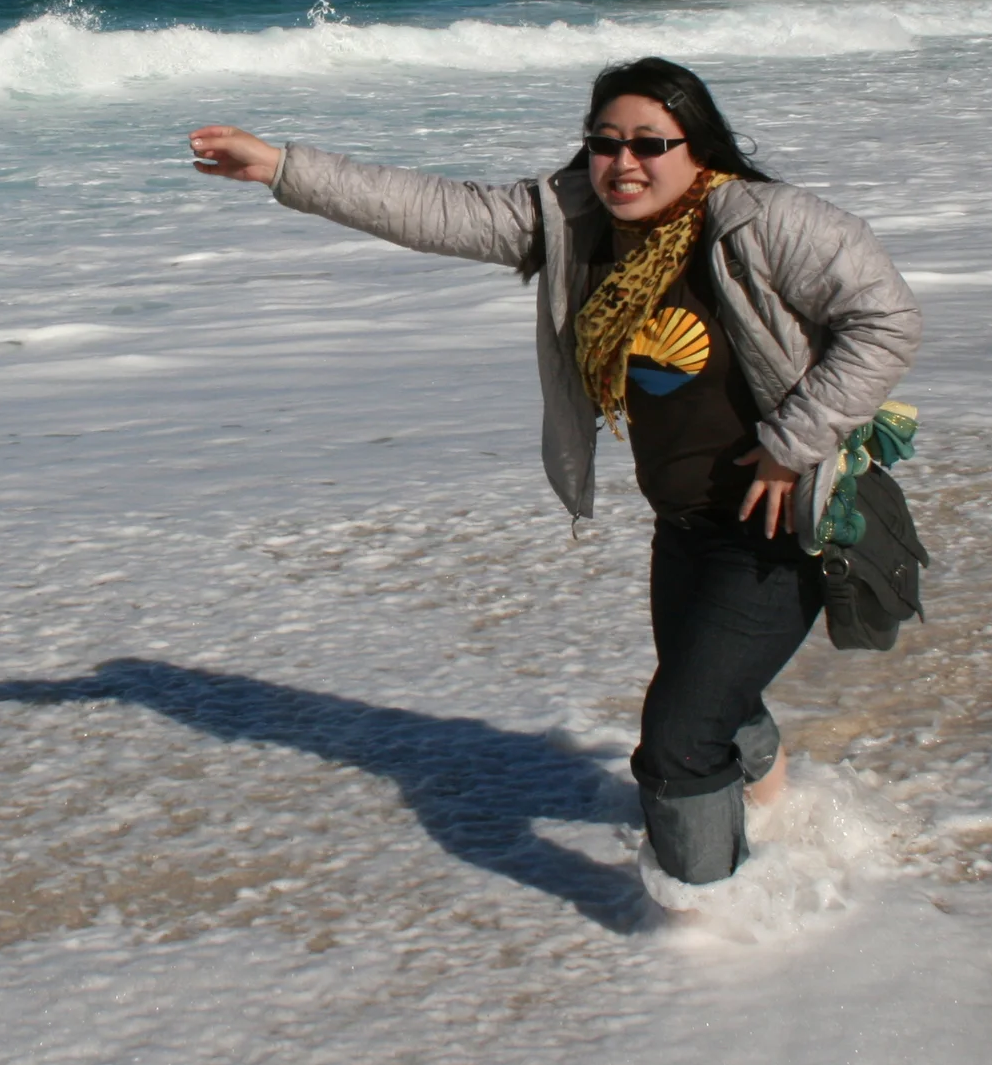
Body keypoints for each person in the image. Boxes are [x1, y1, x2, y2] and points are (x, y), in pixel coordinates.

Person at [187, 57, 921, 906]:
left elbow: (887, 318)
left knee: (676, 743)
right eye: (604, 144)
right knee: (711, 689)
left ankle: (717, 918)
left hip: (776, 523)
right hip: (684, 523)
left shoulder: (764, 222)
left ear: (699, 145)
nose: (623, 164)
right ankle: (781, 811)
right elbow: (435, 211)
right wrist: (282, 166)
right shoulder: (577, 222)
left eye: (651, 142)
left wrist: (793, 442)